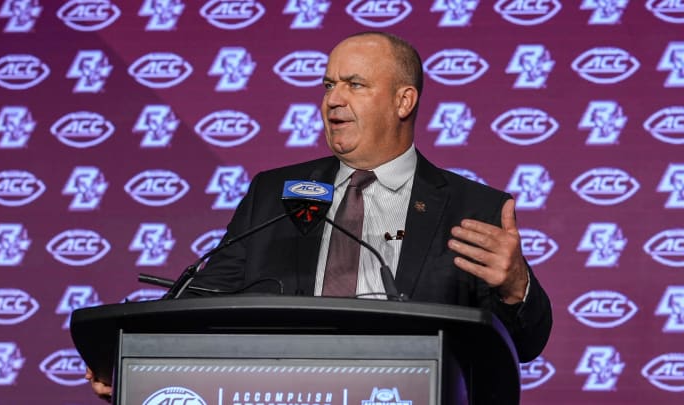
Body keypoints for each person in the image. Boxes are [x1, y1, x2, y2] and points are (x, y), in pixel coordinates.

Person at [86, 30, 552, 399]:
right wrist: (136, 354)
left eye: (355, 84)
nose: (333, 99)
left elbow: (523, 348)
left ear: (403, 101)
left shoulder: (472, 206)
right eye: (329, 84)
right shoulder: (275, 193)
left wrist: (516, 288)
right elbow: (207, 296)